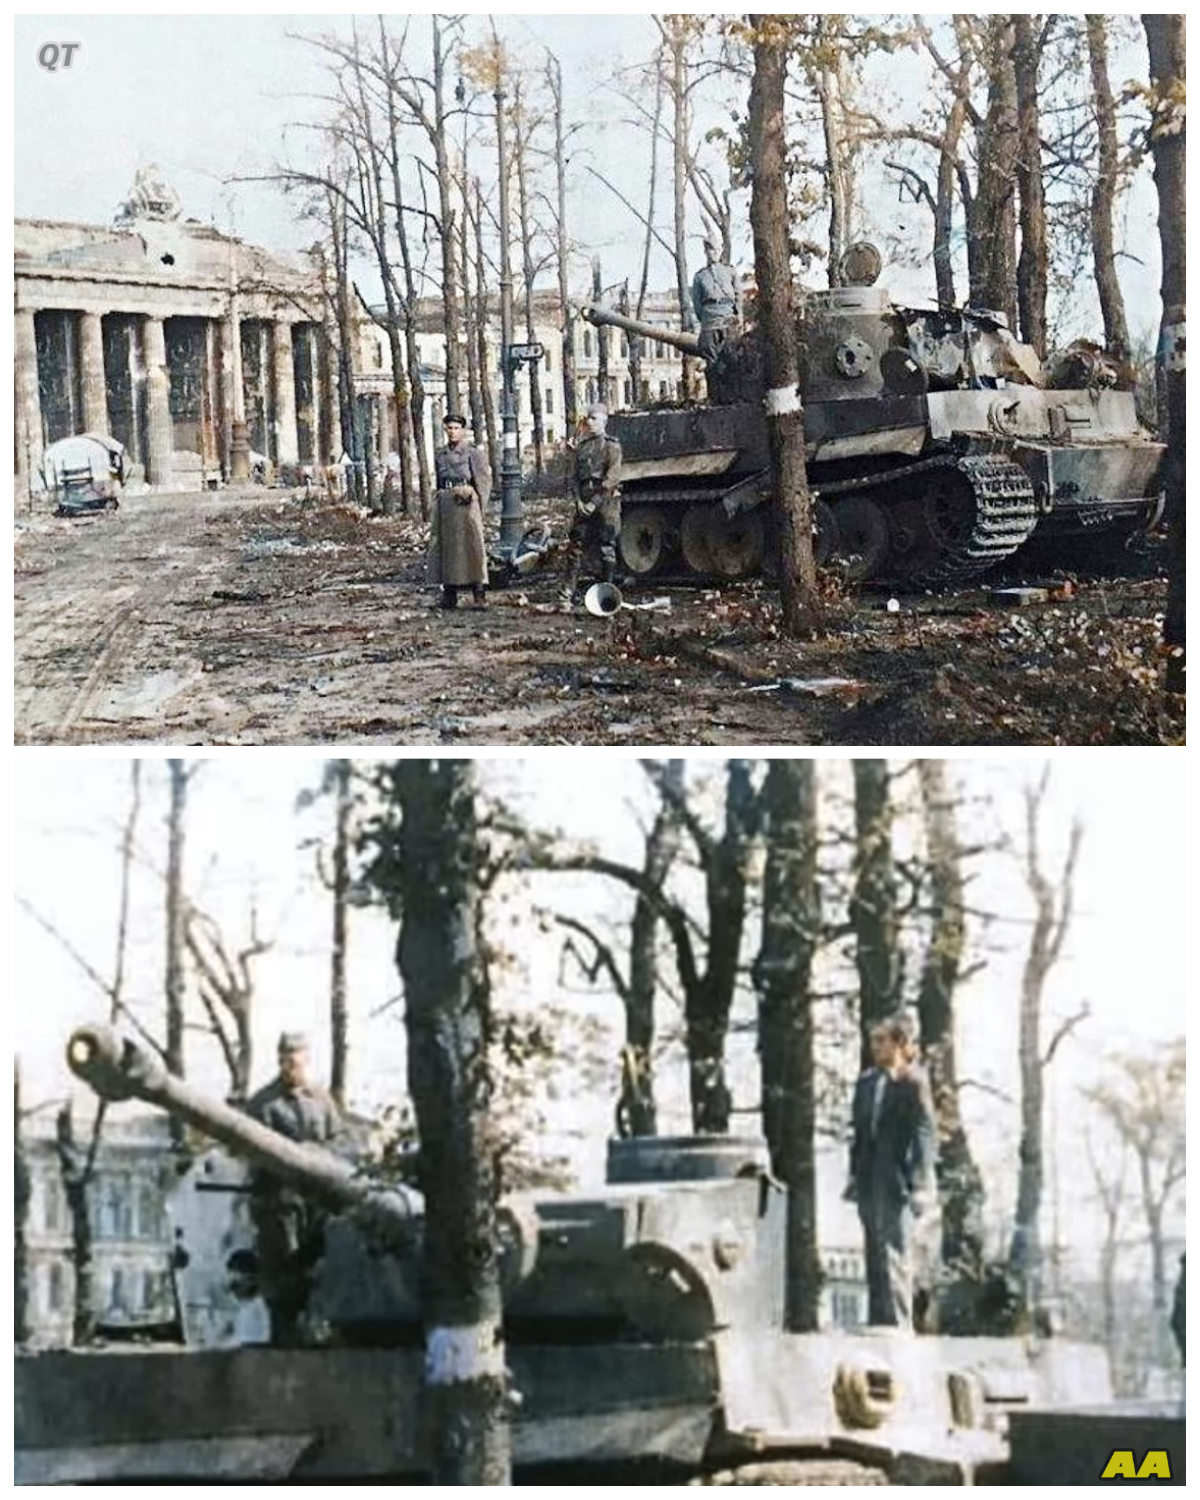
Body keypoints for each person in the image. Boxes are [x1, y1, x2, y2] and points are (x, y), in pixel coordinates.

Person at [244, 1032, 342, 1346]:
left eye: (296, 1061)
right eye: (285, 1061)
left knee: (318, 1268)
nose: (291, 1067)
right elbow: (253, 1155)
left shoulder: (321, 1101)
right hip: (279, 1202)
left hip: (318, 1201)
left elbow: (335, 1142)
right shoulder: (264, 1104)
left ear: (306, 1060)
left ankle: (317, 1332)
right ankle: (284, 1336)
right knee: (283, 1274)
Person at [847, 1014, 936, 1329]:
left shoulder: (913, 1081)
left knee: (895, 1253)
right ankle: (878, 1323)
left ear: (899, 1043)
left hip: (896, 1181)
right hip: (868, 1179)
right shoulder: (866, 1083)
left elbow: (925, 1133)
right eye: (872, 1041)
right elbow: (858, 1134)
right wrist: (853, 1175)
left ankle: (899, 1324)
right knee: (873, 1251)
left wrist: (920, 1182)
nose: (875, 1047)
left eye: (881, 1041)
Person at [427, 413, 491, 610]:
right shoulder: (440, 454)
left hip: (467, 504)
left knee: (473, 548)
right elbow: (438, 480)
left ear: (463, 430)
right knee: (447, 550)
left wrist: (480, 507)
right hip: (447, 505)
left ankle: (478, 593)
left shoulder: (473, 453)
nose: (452, 432)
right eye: (449, 428)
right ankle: (449, 593)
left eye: (456, 428)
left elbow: (483, 481)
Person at [563, 404, 622, 604]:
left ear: (604, 421)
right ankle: (567, 591)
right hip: (585, 499)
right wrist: (579, 501)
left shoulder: (611, 446)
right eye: (588, 418)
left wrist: (594, 502)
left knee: (607, 545)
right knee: (575, 546)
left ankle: (607, 592)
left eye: (595, 418)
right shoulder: (583, 447)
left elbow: (612, 478)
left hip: (605, 501)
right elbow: (573, 476)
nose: (590, 422)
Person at [691, 236, 741, 360]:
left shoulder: (730, 272)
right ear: (705, 252)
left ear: (721, 251)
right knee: (711, 361)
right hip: (709, 322)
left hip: (728, 320)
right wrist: (706, 318)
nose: (713, 253)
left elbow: (738, 296)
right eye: (710, 250)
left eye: (716, 250)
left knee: (732, 360)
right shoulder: (700, 276)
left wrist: (738, 316)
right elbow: (697, 304)